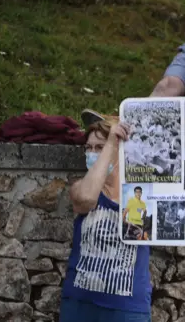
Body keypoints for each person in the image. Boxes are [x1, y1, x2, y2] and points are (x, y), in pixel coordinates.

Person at [60, 111, 151, 322]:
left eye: (99, 148)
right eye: (89, 148)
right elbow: (86, 199)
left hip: (128, 307)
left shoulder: (144, 194)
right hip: (80, 304)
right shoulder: (79, 187)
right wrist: (109, 145)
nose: (92, 153)